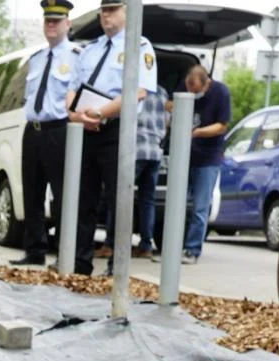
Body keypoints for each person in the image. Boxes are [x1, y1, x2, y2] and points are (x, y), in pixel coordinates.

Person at [67, 0, 156, 276]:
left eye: (113, 10)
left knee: (119, 199)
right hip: (87, 129)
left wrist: (100, 113)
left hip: (117, 130)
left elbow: (139, 91)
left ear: (126, 12)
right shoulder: (90, 50)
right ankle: (80, 263)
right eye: (103, 11)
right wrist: (78, 115)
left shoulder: (139, 47)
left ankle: (116, 267)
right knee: (84, 199)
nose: (107, 16)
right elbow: (71, 90)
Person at [11, 0, 80, 267]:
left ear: (67, 24)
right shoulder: (36, 59)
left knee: (62, 193)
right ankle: (34, 250)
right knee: (32, 192)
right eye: (47, 21)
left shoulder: (76, 57)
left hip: (59, 130)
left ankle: (64, 252)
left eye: (56, 21)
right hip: (33, 129)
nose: (51, 25)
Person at [181, 65, 229, 264]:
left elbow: (222, 126)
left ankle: (192, 250)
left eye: (196, 91)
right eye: (189, 90)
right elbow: (170, 104)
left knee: (200, 207)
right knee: (178, 204)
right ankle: (174, 245)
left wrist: (196, 132)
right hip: (184, 157)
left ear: (206, 83)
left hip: (208, 158)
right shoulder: (187, 86)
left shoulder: (220, 92)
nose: (192, 94)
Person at [132, 82, 167, 257]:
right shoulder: (162, 92)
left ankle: (111, 244)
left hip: (136, 149)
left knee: (119, 196)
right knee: (147, 200)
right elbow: (167, 121)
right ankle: (146, 244)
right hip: (154, 151)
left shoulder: (133, 88)